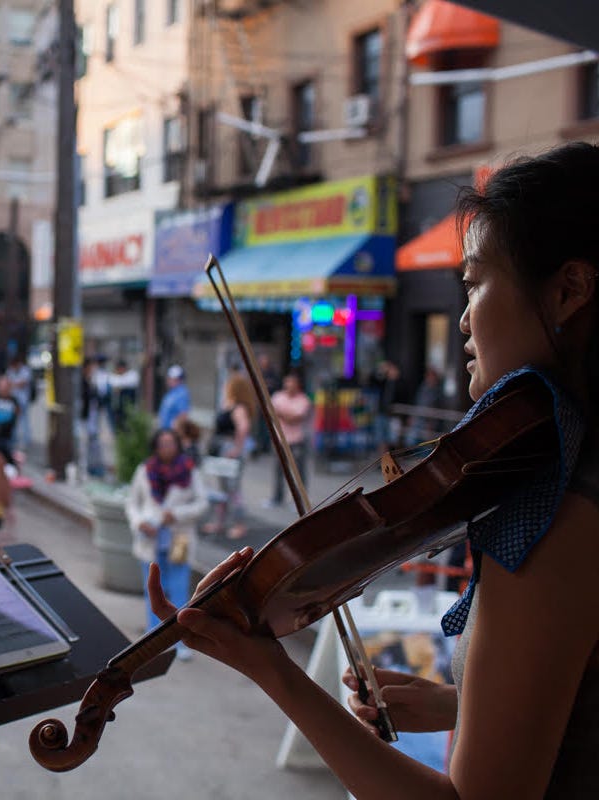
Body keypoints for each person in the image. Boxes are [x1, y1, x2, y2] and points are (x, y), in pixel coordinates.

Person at [148, 142, 599, 798]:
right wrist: (458, 705)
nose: (464, 319)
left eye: (476, 281)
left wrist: (275, 671)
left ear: (568, 290)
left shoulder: (553, 507)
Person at [125, 427, 208, 661]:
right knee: (153, 589)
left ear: (178, 445)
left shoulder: (189, 471)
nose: (166, 448)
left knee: (179, 589)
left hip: (178, 539)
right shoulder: (145, 470)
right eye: (162, 443)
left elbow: (202, 503)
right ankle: (155, 639)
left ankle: (181, 640)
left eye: (170, 443)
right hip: (150, 540)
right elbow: (132, 503)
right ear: (155, 446)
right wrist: (139, 522)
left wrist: (177, 514)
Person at [202, 372, 257, 539]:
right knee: (222, 489)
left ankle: (238, 524)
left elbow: (243, 428)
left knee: (232, 489)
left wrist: (236, 449)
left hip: (229, 449)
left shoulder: (238, 407)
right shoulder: (230, 404)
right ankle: (220, 522)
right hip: (223, 449)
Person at [267, 369, 312, 507]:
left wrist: (281, 412)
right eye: (287, 381)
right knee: (279, 471)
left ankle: (300, 500)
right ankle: (277, 498)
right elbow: (271, 414)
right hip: (280, 440)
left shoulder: (304, 400)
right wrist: (284, 414)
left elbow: (295, 418)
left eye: (291, 382)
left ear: (297, 385)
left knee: (299, 472)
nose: (288, 384)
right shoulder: (277, 396)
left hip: (296, 440)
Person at [6, 354, 33, 451]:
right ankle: (14, 440)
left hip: (23, 400)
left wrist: (13, 384)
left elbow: (22, 383)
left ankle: (26, 441)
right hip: (13, 400)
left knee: (23, 421)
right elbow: (8, 383)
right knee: (13, 420)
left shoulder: (25, 370)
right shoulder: (10, 370)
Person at [157, 364, 191, 430]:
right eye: (168, 378)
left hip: (172, 432)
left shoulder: (182, 393)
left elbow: (183, 415)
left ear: (179, 380)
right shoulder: (171, 392)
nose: (168, 380)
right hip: (165, 430)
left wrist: (175, 432)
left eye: (171, 378)